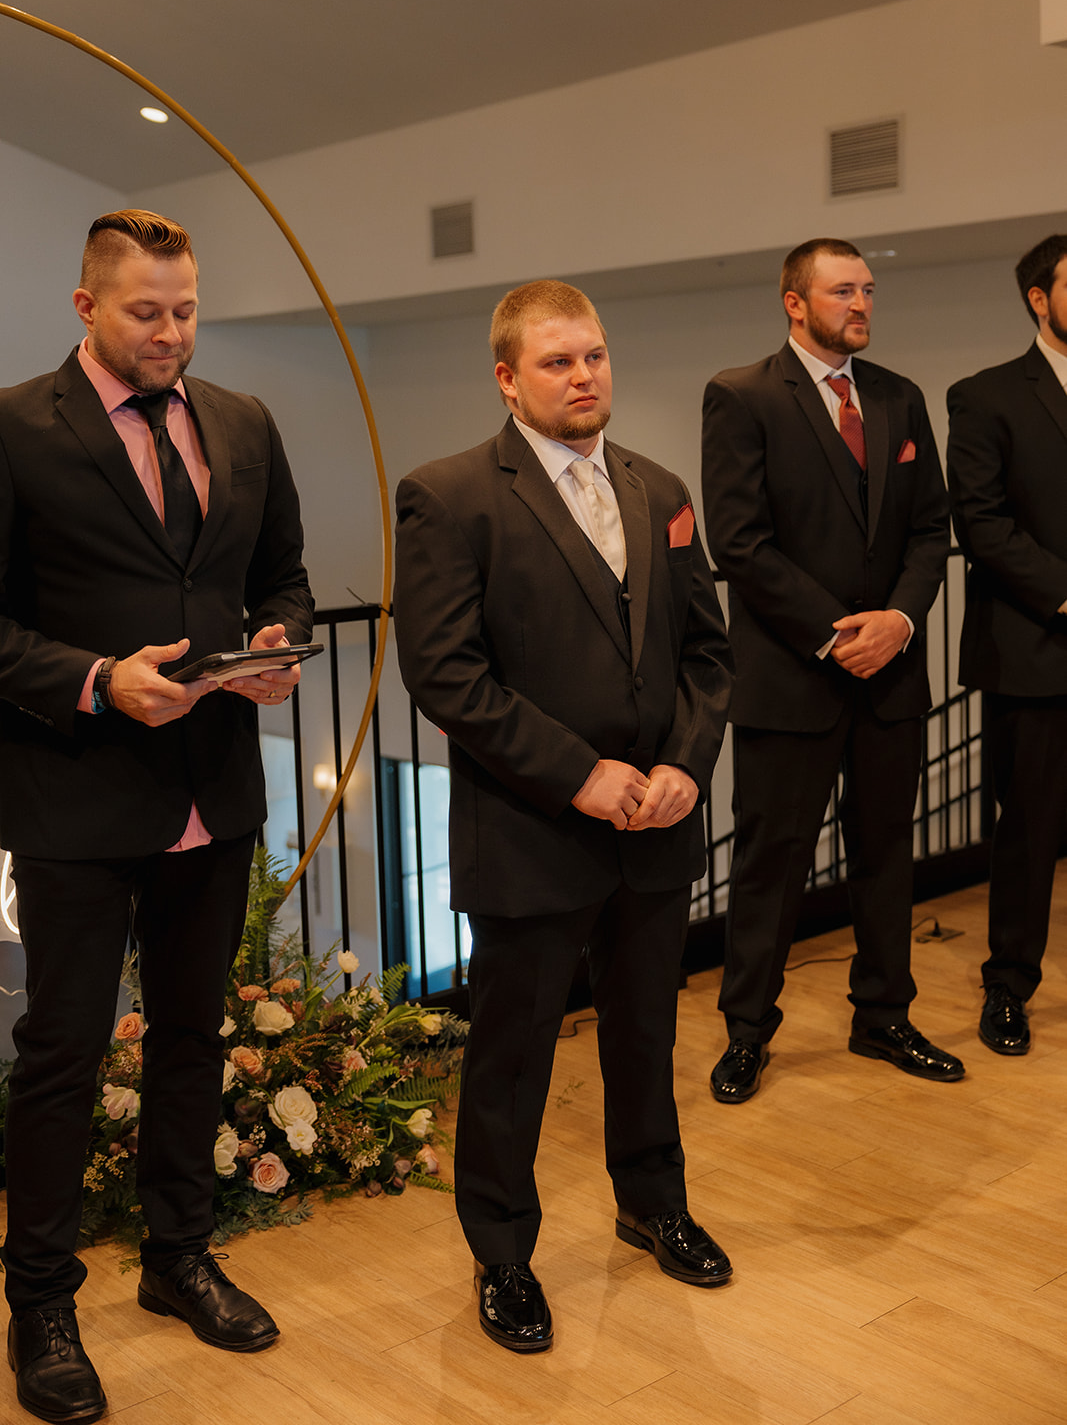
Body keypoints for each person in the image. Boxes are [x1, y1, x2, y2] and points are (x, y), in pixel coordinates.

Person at [0, 209, 314, 1424]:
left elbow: (278, 567)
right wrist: (93, 679)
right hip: (74, 794)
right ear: (86, 306)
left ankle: (177, 1260)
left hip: (214, 789)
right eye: (146, 310)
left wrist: (278, 640)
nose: (171, 331)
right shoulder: (17, 426)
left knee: (192, 1036)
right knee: (63, 1059)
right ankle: (41, 1302)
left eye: (185, 308)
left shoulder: (241, 420)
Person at [394, 279, 734, 1354]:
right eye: (556, 361)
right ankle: (501, 1253)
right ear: (506, 377)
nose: (583, 375)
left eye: (592, 355)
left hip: (655, 828)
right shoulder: (448, 495)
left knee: (645, 1031)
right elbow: (445, 676)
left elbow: (705, 653)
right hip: (532, 828)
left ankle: (652, 1201)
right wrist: (580, 772)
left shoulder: (659, 484)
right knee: (510, 1059)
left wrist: (683, 763)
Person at [701, 237, 963, 1103]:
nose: (862, 304)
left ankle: (883, 1014)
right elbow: (739, 543)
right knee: (770, 864)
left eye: (869, 290)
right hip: (791, 679)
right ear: (793, 300)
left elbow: (930, 528)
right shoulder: (740, 397)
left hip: (889, 674)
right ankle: (746, 1032)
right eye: (843, 289)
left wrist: (895, 620)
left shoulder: (898, 396)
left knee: (887, 851)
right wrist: (834, 631)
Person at [946, 234, 1067, 1056]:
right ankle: (1008, 988)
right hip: (1037, 649)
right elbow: (980, 525)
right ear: (1038, 297)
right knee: (1027, 830)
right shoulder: (984, 396)